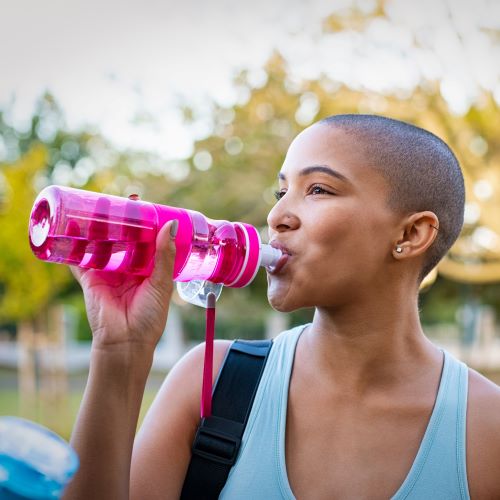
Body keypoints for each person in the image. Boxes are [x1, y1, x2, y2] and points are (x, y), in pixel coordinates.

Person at [63, 114, 500, 500]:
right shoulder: (213, 383)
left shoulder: (487, 430)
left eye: (319, 190)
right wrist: (120, 350)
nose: (277, 216)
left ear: (412, 235)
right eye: (281, 191)